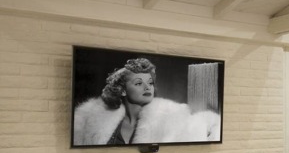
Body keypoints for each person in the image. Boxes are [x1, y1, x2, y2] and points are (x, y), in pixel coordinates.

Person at [73, 58, 220, 145]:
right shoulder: (93, 119)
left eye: (150, 83)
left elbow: (203, 126)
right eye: (138, 83)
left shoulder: (171, 115)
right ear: (122, 90)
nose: (147, 87)